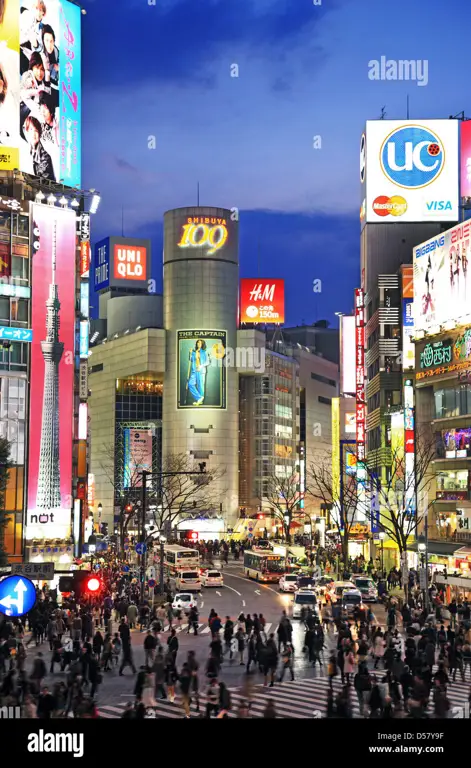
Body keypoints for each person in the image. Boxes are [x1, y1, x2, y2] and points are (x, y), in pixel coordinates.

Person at [186, 339, 211, 405]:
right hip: (194, 370)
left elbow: (208, 362)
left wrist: (201, 366)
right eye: (198, 343)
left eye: (200, 343)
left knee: (201, 385)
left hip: (201, 371)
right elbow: (190, 359)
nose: (198, 344)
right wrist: (190, 353)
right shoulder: (194, 352)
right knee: (190, 384)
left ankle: (199, 401)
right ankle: (199, 397)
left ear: (202, 344)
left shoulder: (205, 352)